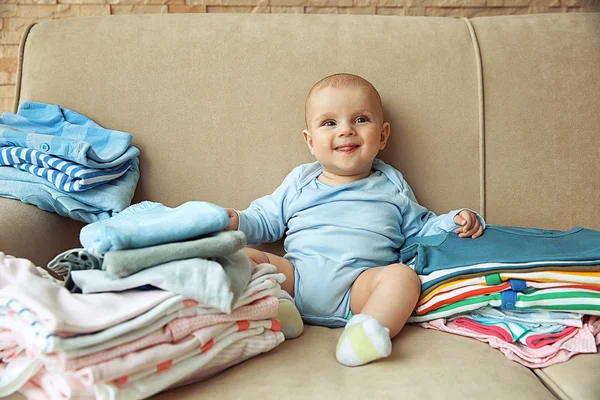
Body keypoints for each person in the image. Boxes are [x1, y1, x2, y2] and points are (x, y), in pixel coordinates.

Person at [225, 73, 485, 367]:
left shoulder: (391, 185)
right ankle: (279, 309)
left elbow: (420, 229)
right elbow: (266, 219)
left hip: (358, 290)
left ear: (383, 135)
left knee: (402, 277)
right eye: (329, 123)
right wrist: (237, 220)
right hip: (295, 280)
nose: (346, 131)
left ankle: (366, 333)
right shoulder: (300, 181)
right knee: (241, 257)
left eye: (360, 119)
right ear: (311, 142)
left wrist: (455, 221)